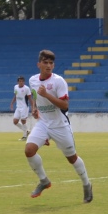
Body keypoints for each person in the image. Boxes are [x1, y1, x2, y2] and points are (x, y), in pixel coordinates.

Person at [25, 49, 93, 203]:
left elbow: (65, 105)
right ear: (39, 64)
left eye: (51, 63)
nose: (48, 65)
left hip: (60, 125)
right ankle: (44, 181)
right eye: (45, 62)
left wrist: (47, 95)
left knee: (72, 158)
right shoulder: (33, 80)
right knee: (29, 150)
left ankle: (87, 184)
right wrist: (34, 108)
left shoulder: (58, 81)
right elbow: (35, 96)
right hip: (43, 123)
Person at [11, 75, 33, 140]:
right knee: (15, 121)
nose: (21, 82)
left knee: (23, 120)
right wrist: (12, 103)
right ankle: (27, 130)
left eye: (22, 81)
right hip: (18, 107)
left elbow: (30, 98)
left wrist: (33, 106)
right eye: (20, 81)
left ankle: (25, 136)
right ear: (18, 82)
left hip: (24, 107)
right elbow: (15, 96)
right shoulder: (15, 87)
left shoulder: (26, 88)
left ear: (24, 82)